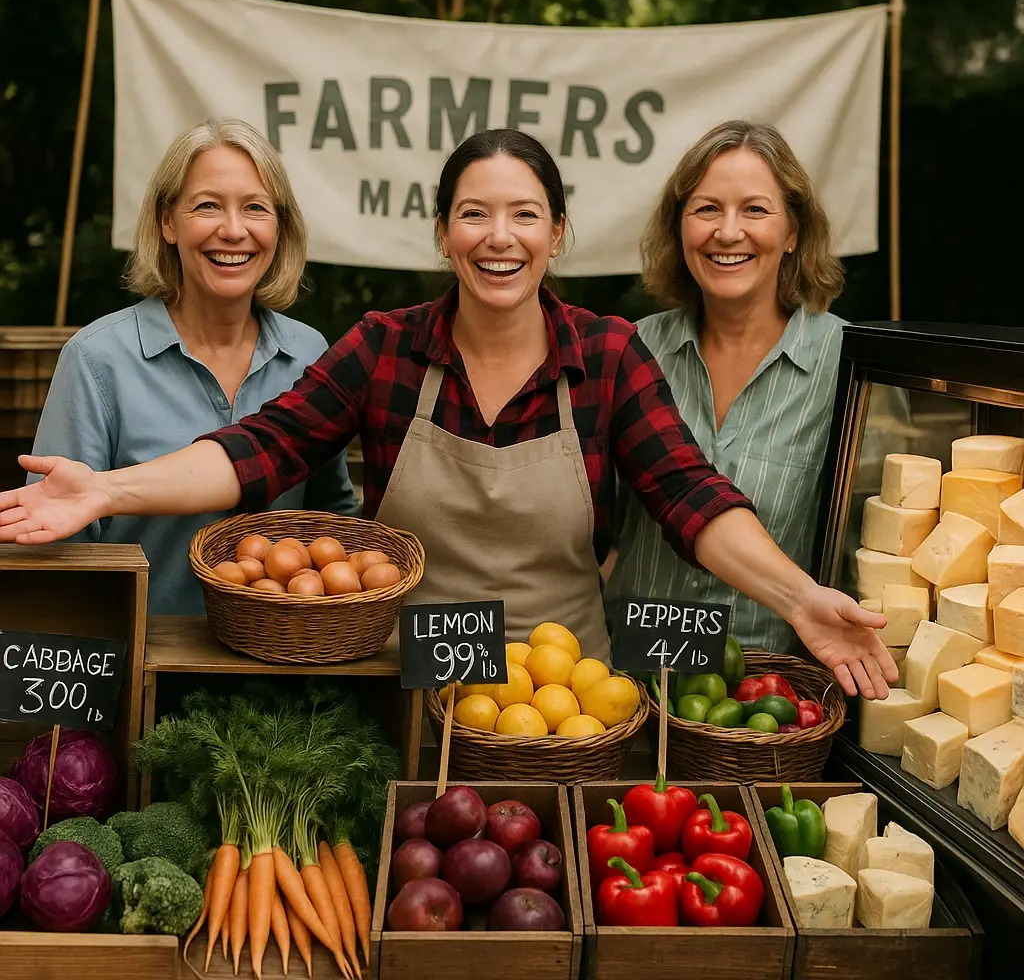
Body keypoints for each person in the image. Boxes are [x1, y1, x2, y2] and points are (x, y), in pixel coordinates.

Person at [0, 127, 895, 699]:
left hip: (571, 702)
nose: (497, 238)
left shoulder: (610, 355)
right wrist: (102, 490)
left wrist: (803, 599)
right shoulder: (386, 349)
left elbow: (688, 495)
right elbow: (256, 450)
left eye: (523, 216)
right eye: (474, 215)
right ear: (443, 233)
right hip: (412, 686)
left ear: (556, 234)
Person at [25, 117, 358, 615]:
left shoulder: (310, 354)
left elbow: (332, 522)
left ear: (279, 227)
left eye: (255, 208)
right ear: (167, 222)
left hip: (283, 671)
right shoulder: (98, 359)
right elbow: (54, 549)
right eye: (207, 206)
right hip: (141, 670)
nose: (233, 229)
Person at [605, 120, 849, 655]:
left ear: (793, 233)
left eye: (755, 210)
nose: (728, 231)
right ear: (679, 228)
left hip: (771, 700)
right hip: (623, 689)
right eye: (707, 208)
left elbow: (864, 552)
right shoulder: (631, 350)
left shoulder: (846, 364)